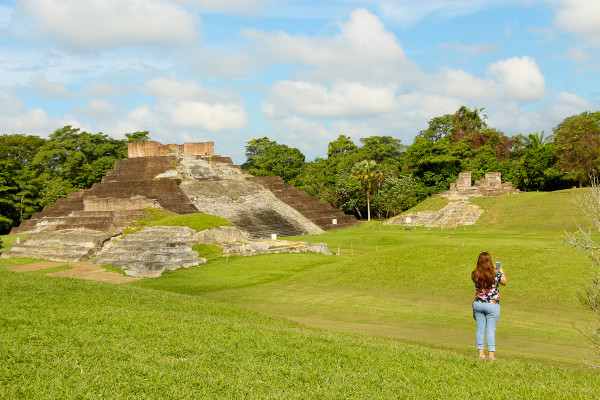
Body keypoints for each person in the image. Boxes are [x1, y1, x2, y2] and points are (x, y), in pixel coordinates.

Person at [471, 251, 507, 360]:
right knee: (491, 330)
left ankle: (481, 354)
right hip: (492, 304)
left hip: (479, 304)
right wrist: (501, 272)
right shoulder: (495, 274)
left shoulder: (475, 274)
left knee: (480, 329)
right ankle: (492, 356)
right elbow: (504, 282)